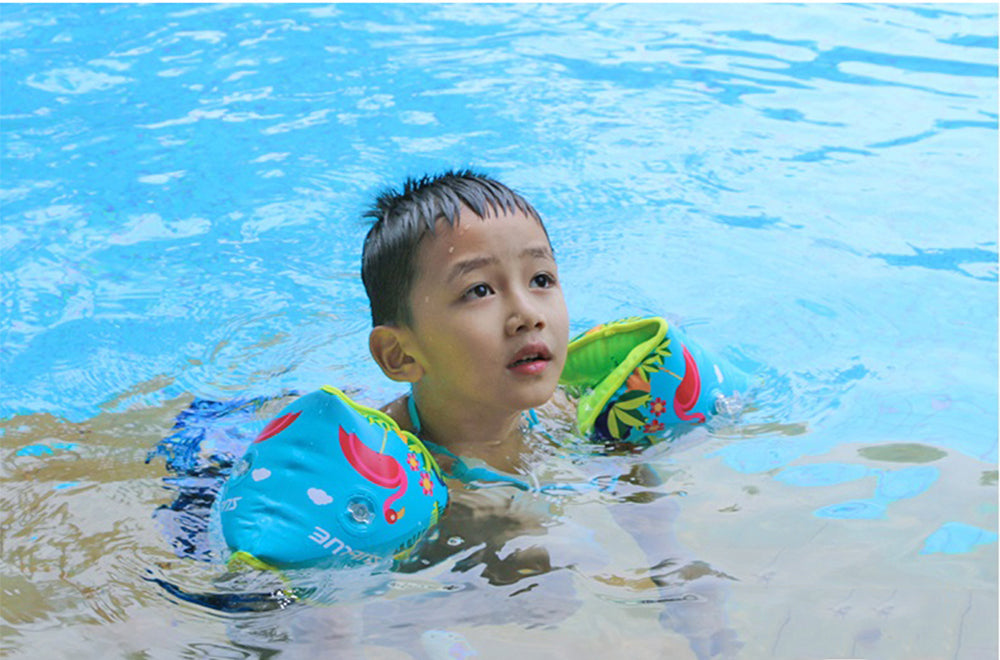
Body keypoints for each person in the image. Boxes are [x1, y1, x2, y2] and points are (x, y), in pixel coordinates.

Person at [361, 169, 572, 477]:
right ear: (401, 355)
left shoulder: (560, 413)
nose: (528, 316)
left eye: (541, 279)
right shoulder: (380, 463)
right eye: (479, 290)